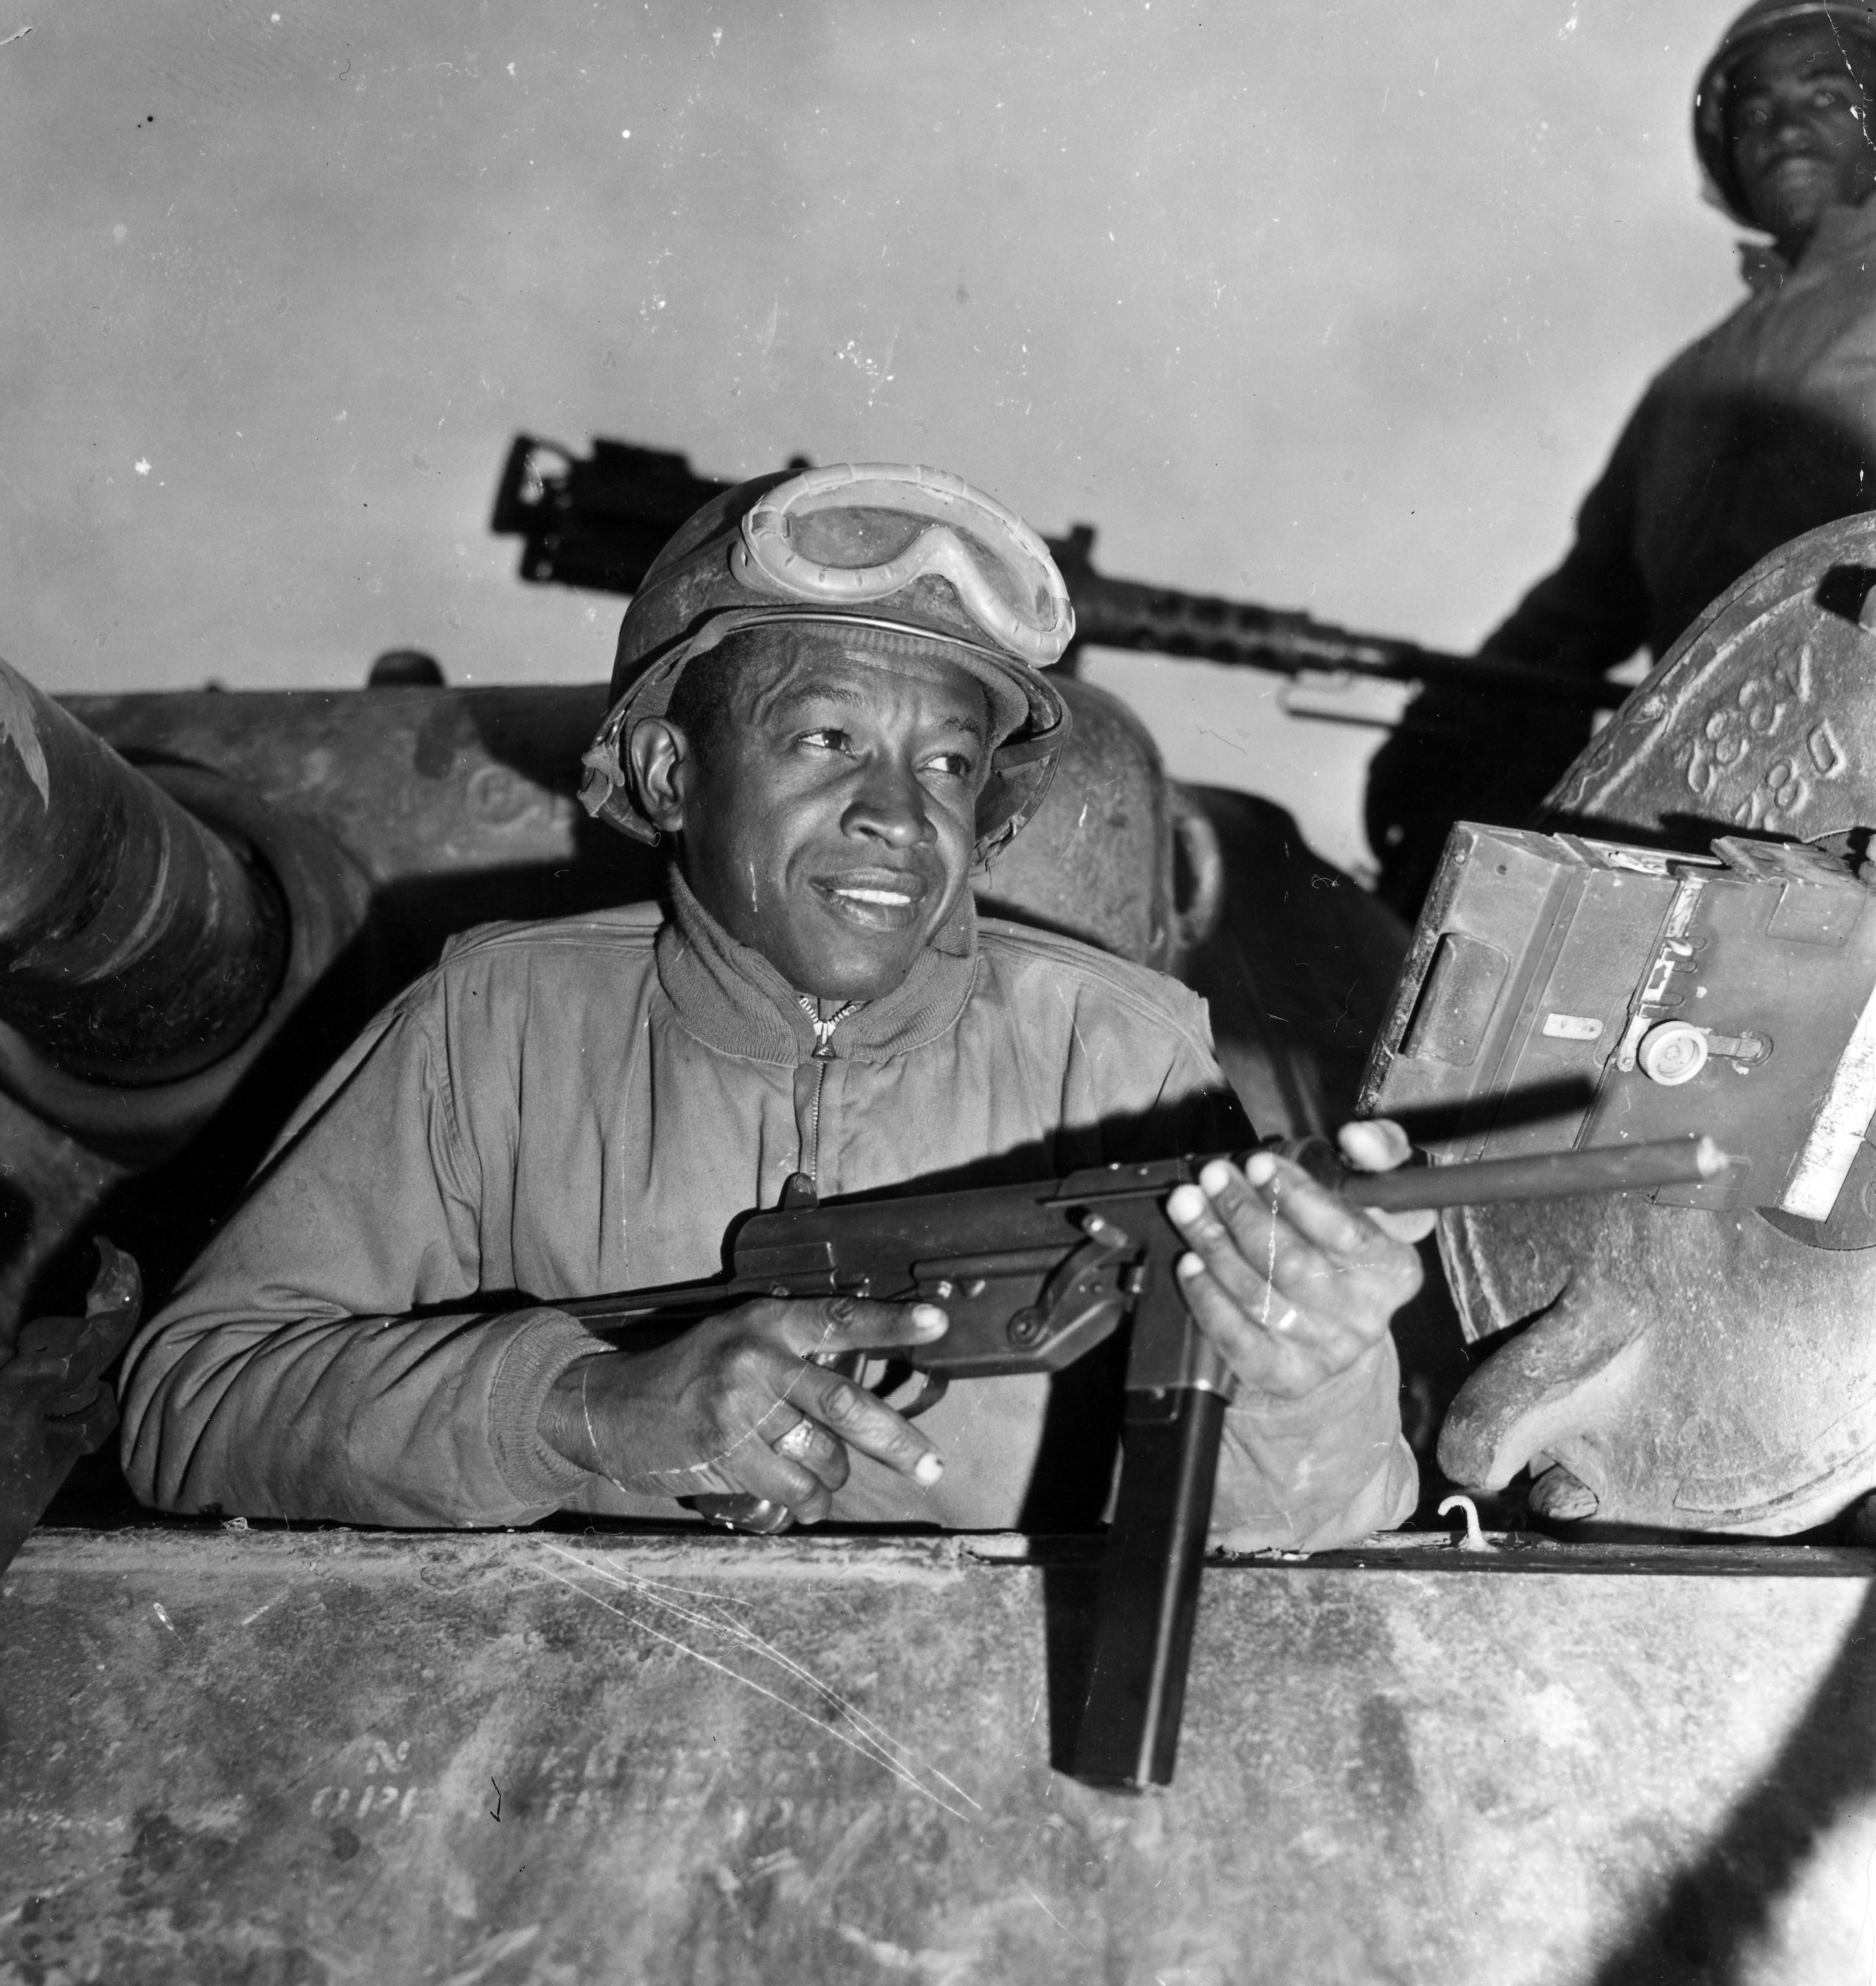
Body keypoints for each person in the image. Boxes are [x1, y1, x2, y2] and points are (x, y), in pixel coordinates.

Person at [121, 463, 1430, 1548]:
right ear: (670, 769)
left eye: (949, 765)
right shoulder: (491, 1027)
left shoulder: (1114, 1051)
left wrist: (1305, 1379)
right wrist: (582, 1409)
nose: (899, 815)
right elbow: (188, 1405)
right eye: (824, 740)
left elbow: (1307, 1536)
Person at [1366, 0, 1876, 917]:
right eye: (1754, 112)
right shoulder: (1688, 384)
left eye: (1828, 95)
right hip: (1725, 787)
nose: (1785, 126)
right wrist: (1432, 733)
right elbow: (1581, 606)